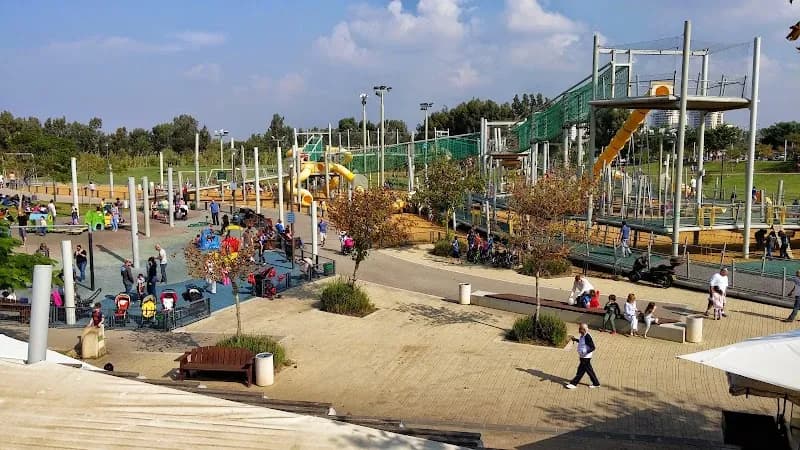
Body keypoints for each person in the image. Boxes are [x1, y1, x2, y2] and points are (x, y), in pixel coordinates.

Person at [565, 323, 600, 389]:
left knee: (581, 371)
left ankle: (573, 384)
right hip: (583, 357)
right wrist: (575, 339)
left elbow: (593, 347)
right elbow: (582, 342)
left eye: (580, 328)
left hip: (586, 357)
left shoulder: (587, 337)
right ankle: (596, 383)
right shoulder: (583, 336)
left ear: (583, 329)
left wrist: (585, 352)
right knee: (589, 370)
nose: (579, 330)